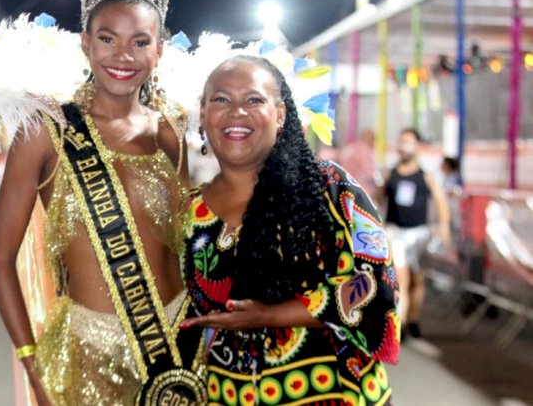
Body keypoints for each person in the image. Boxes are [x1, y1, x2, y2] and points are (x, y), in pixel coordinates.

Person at [0, 0, 205, 406]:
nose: (123, 55)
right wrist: (31, 361)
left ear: (160, 50)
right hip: (86, 358)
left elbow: (197, 244)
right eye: (108, 38)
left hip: (182, 353)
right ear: (85, 42)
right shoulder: (46, 129)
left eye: (140, 42)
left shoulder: (174, 130)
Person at [180, 56, 399, 405]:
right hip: (226, 394)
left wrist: (268, 315)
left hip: (335, 394)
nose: (237, 111)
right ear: (203, 114)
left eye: (254, 100)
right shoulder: (189, 213)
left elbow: (376, 286)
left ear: (280, 115)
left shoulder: (329, 187)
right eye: (221, 99)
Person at [376, 128, 450, 341]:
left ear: (417, 145)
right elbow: (376, 200)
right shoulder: (390, 174)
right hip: (395, 232)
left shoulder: (426, 176)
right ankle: (398, 326)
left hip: (419, 234)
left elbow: (441, 202)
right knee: (401, 279)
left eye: (408, 141)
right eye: (401, 141)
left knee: (417, 281)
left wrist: (443, 227)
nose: (404, 145)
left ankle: (413, 320)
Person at [339, 128, 376, 196]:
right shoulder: (365, 150)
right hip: (360, 187)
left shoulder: (351, 147)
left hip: (345, 184)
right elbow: (368, 172)